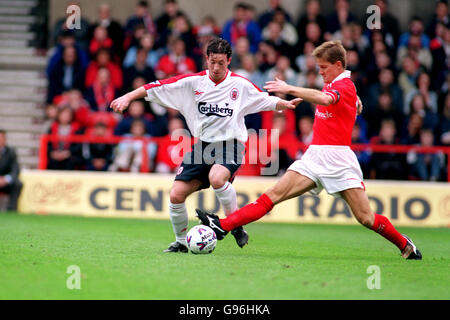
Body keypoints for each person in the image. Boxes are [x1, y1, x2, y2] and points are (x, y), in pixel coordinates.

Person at [196, 40, 422, 260]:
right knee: (272, 195)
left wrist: (289, 88)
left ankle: (405, 244)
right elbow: (344, 99)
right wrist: (356, 103)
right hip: (314, 156)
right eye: (319, 68)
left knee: (366, 218)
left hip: (338, 161)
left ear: (338, 65)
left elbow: (325, 98)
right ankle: (222, 226)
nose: (321, 72)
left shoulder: (343, 85)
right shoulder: (338, 84)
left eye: (324, 68)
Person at [110, 38, 301, 253]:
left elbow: (263, 99)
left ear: (229, 61)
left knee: (217, 178)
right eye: (212, 62)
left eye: (221, 62)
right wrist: (127, 97)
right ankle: (181, 242)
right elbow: (156, 86)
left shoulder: (240, 84)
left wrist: (283, 103)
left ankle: (236, 225)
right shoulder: (192, 82)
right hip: (202, 146)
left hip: (231, 144)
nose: (216, 67)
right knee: (176, 195)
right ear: (206, 60)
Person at [0, 130, 23, 211]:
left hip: (6, 181)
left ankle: (12, 209)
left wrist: (6, 179)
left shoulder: (11, 152)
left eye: (1, 137)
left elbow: (15, 169)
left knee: (18, 184)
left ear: (5, 139)